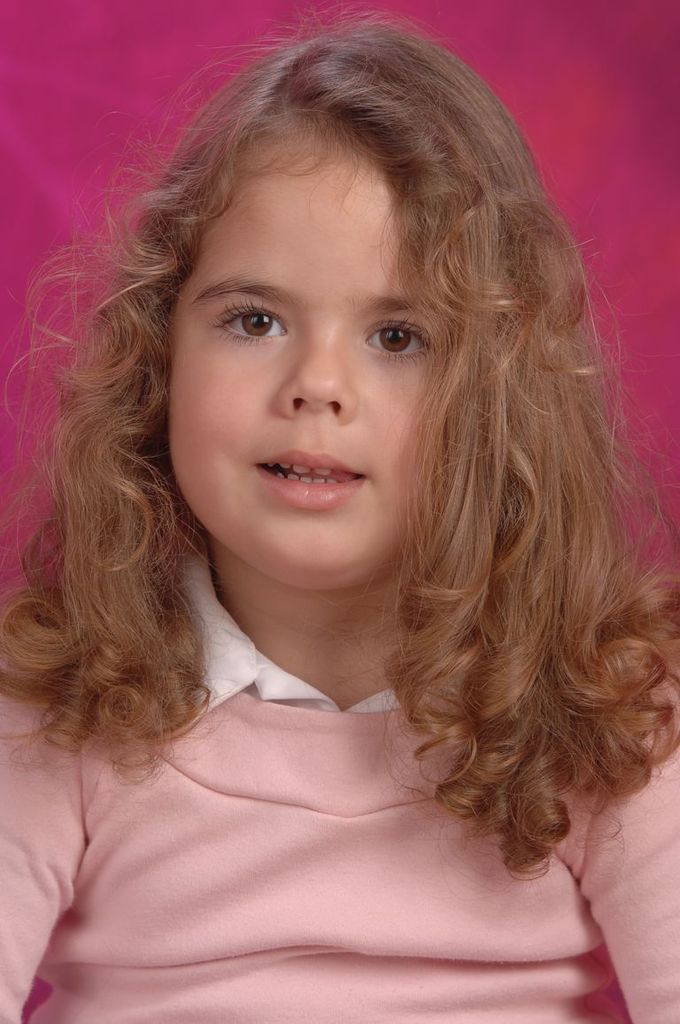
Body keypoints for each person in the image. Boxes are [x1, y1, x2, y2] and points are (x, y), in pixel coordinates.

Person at [1, 11, 679, 1024]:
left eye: (398, 337)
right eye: (255, 320)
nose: (316, 384)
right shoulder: (56, 701)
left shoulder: (610, 710)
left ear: (500, 394)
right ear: (159, 358)